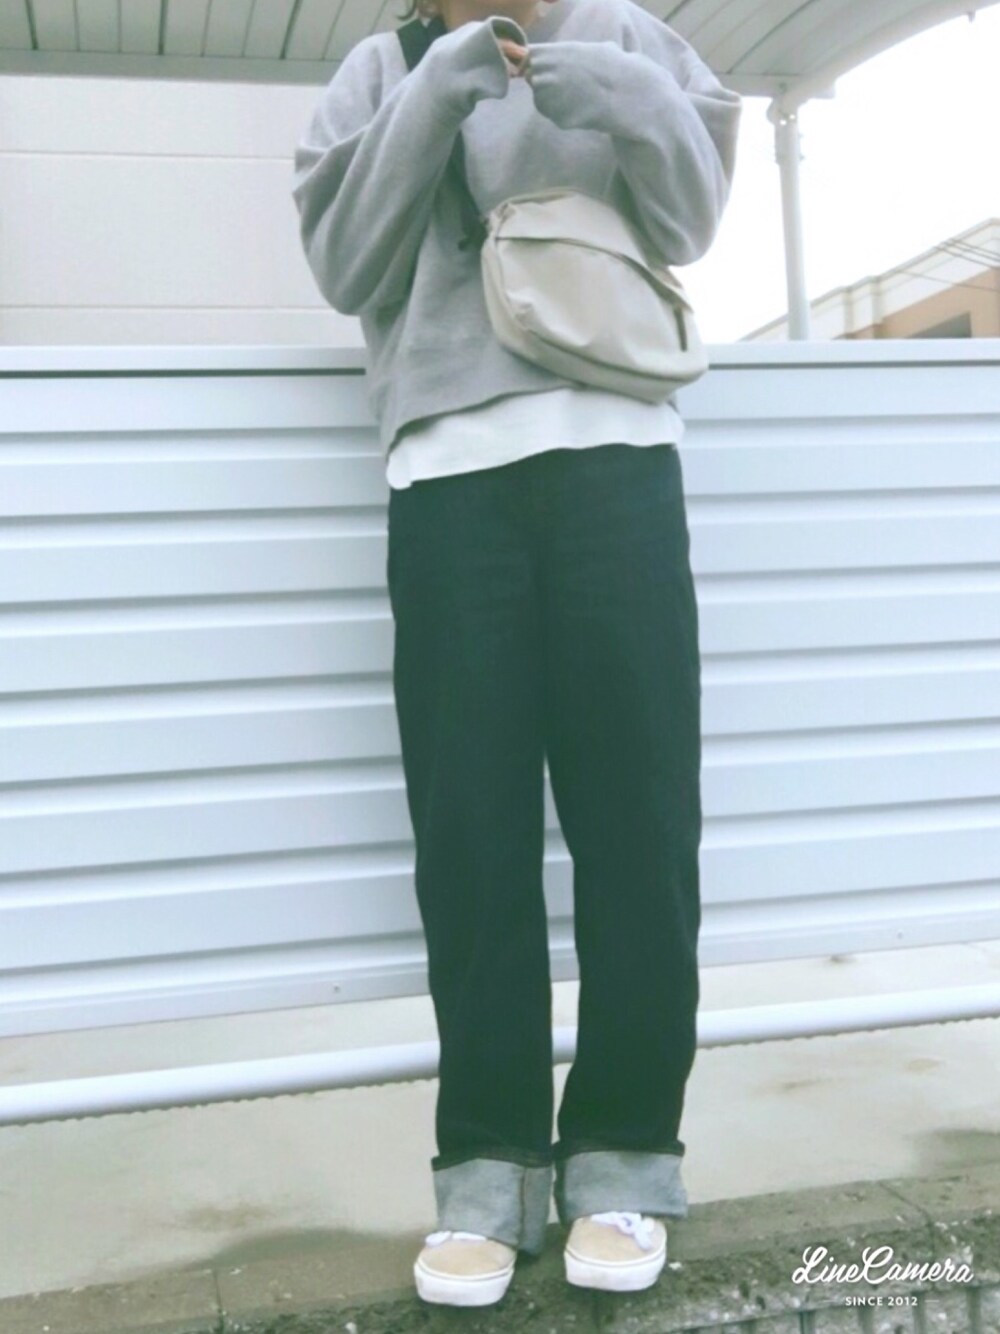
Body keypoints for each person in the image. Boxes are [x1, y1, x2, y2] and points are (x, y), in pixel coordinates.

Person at [291, 0, 741, 1308]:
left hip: (618, 460)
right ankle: (485, 1178)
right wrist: (438, 88)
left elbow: (693, 219)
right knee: (471, 838)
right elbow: (347, 267)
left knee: (638, 824)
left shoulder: (632, 37)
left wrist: (616, 88)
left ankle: (626, 1161)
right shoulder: (379, 70)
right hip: (447, 482)